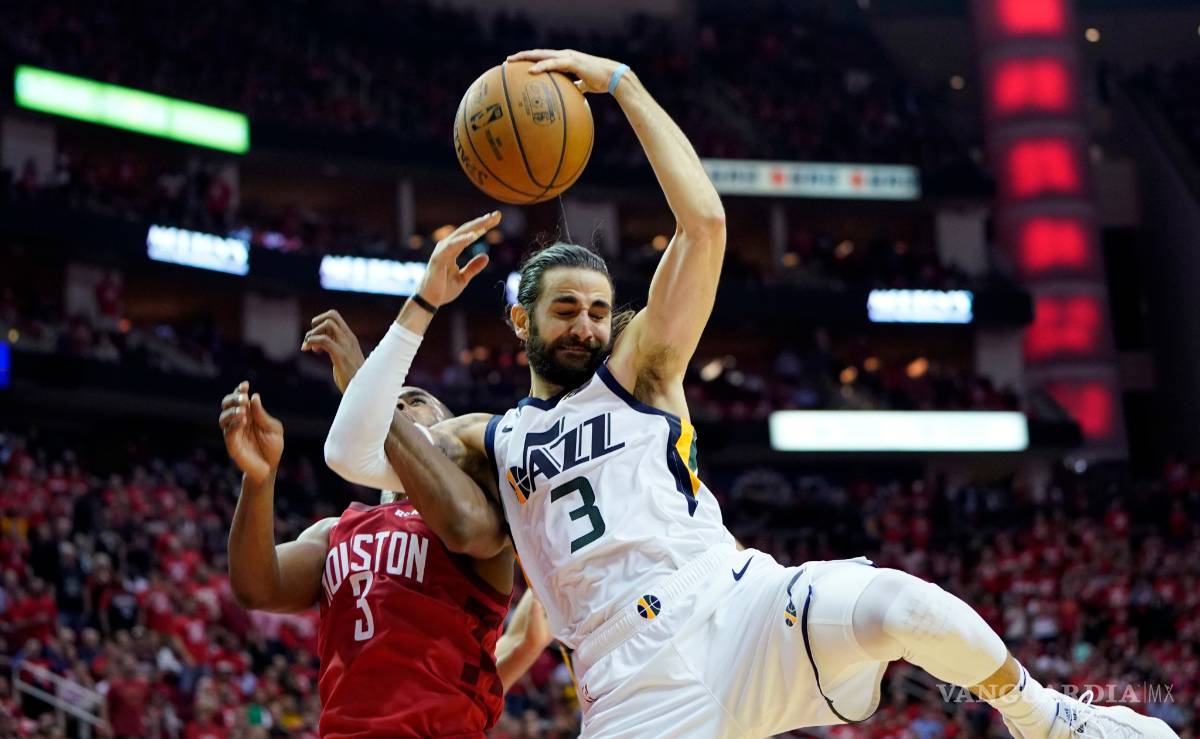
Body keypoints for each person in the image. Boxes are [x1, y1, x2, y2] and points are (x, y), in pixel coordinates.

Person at [324, 50, 1177, 739]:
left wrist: (624, 85)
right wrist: (421, 306)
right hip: (627, 688)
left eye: (596, 309)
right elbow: (351, 454)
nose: (585, 324)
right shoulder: (491, 435)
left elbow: (706, 225)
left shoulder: (643, 373)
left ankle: (1047, 716)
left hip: (735, 603)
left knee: (904, 605)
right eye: (564, 310)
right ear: (520, 321)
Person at [220, 305, 552, 738]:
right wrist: (259, 481)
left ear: (451, 432)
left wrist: (366, 388)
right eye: (393, 401)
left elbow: (524, 629)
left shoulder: (482, 511)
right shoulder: (335, 531)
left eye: (415, 402)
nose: (399, 405)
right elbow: (254, 586)